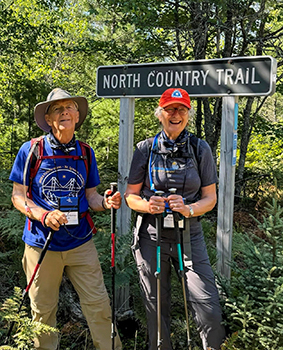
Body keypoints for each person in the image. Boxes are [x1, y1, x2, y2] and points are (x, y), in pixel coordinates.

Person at [9, 88, 122, 350]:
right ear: (48, 119)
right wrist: (43, 215)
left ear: (78, 115)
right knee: (42, 312)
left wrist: (106, 203)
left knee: (99, 305)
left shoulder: (86, 152)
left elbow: (91, 197)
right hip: (41, 243)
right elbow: (18, 197)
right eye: (57, 109)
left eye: (69, 107)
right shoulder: (32, 150)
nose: (64, 113)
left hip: (80, 241)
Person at [124, 88, 226, 350]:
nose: (175, 114)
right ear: (160, 114)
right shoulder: (145, 149)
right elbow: (130, 196)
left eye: (181, 109)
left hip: (189, 236)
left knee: (208, 307)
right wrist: (149, 206)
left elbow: (210, 199)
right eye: (170, 109)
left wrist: (188, 208)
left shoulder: (200, 149)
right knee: (156, 308)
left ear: (188, 115)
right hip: (151, 237)